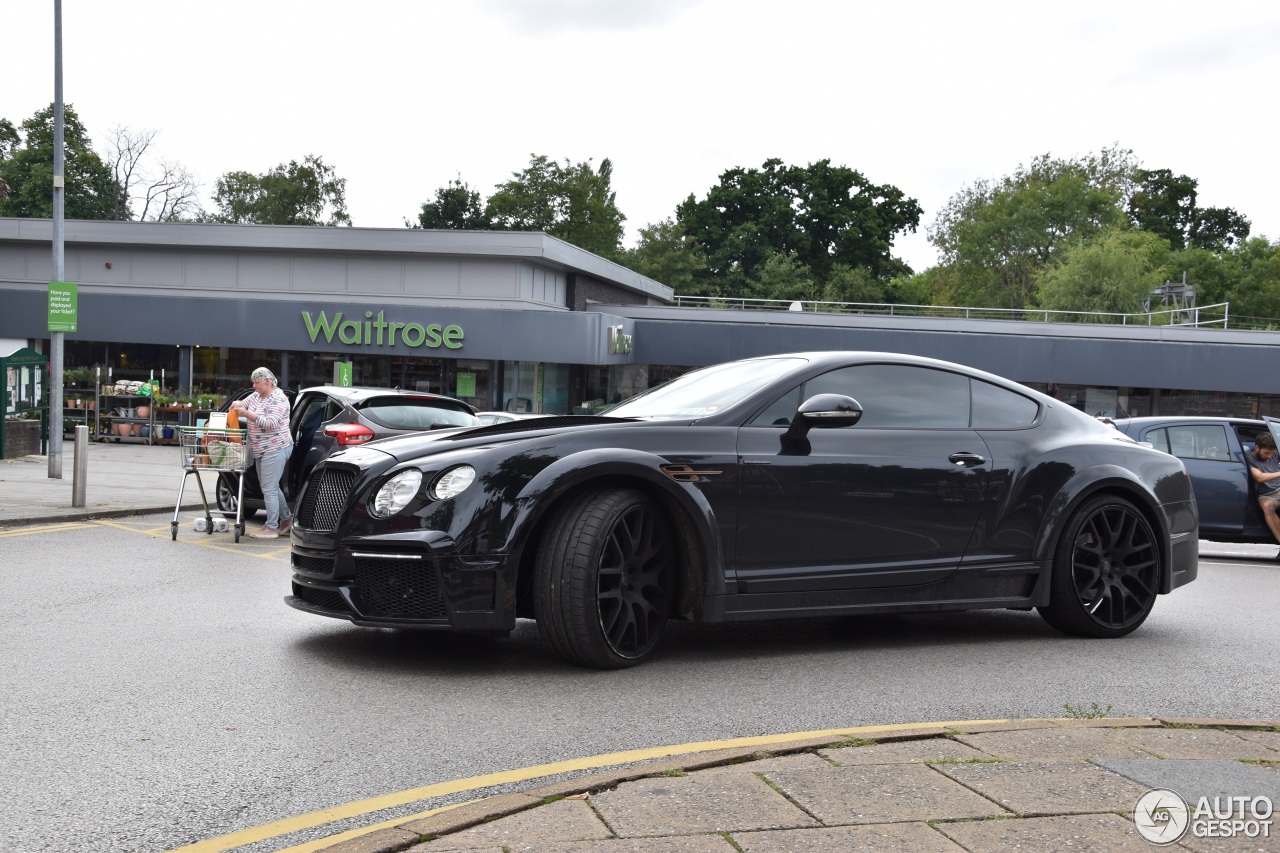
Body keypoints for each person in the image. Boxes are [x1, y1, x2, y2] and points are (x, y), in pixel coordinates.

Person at [230, 367, 294, 539]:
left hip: (276, 447)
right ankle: (286, 520)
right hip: (261, 448)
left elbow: (271, 424)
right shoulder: (257, 395)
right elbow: (243, 403)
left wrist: (247, 414)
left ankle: (272, 527)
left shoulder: (278, 399)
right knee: (271, 487)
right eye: (253, 382)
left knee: (269, 488)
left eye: (257, 382)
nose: (254, 385)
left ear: (267, 381)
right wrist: (237, 404)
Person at [1245, 431, 1280, 556]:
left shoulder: (1275, 454)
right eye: (1266, 453)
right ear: (1257, 447)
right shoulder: (1248, 458)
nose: (1270, 456)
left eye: (1272, 453)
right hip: (1266, 494)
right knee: (1267, 506)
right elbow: (1259, 477)